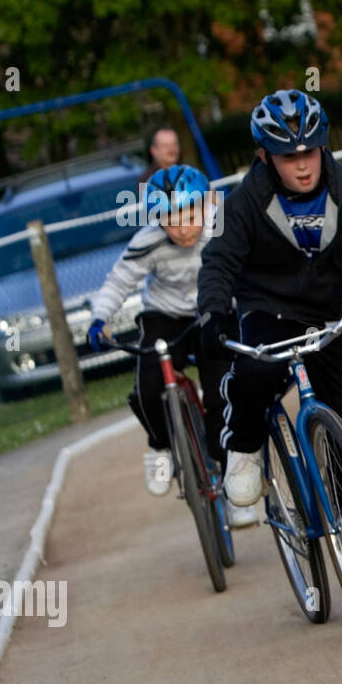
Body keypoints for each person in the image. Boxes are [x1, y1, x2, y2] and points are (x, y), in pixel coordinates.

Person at [196, 89, 342, 587]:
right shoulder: (242, 202)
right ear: (264, 156)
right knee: (253, 370)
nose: (302, 165)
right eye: (289, 157)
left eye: (309, 152)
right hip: (269, 310)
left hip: (333, 311)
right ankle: (245, 448)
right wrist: (213, 313)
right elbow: (219, 261)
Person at [87, 164, 259, 529]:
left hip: (214, 311)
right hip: (165, 314)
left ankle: (232, 491)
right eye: (169, 218)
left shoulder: (222, 222)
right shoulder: (148, 240)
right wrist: (99, 319)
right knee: (148, 387)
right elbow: (118, 281)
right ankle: (159, 447)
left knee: (220, 399)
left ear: (206, 204)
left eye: (189, 214)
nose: (181, 226)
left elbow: (258, 254)